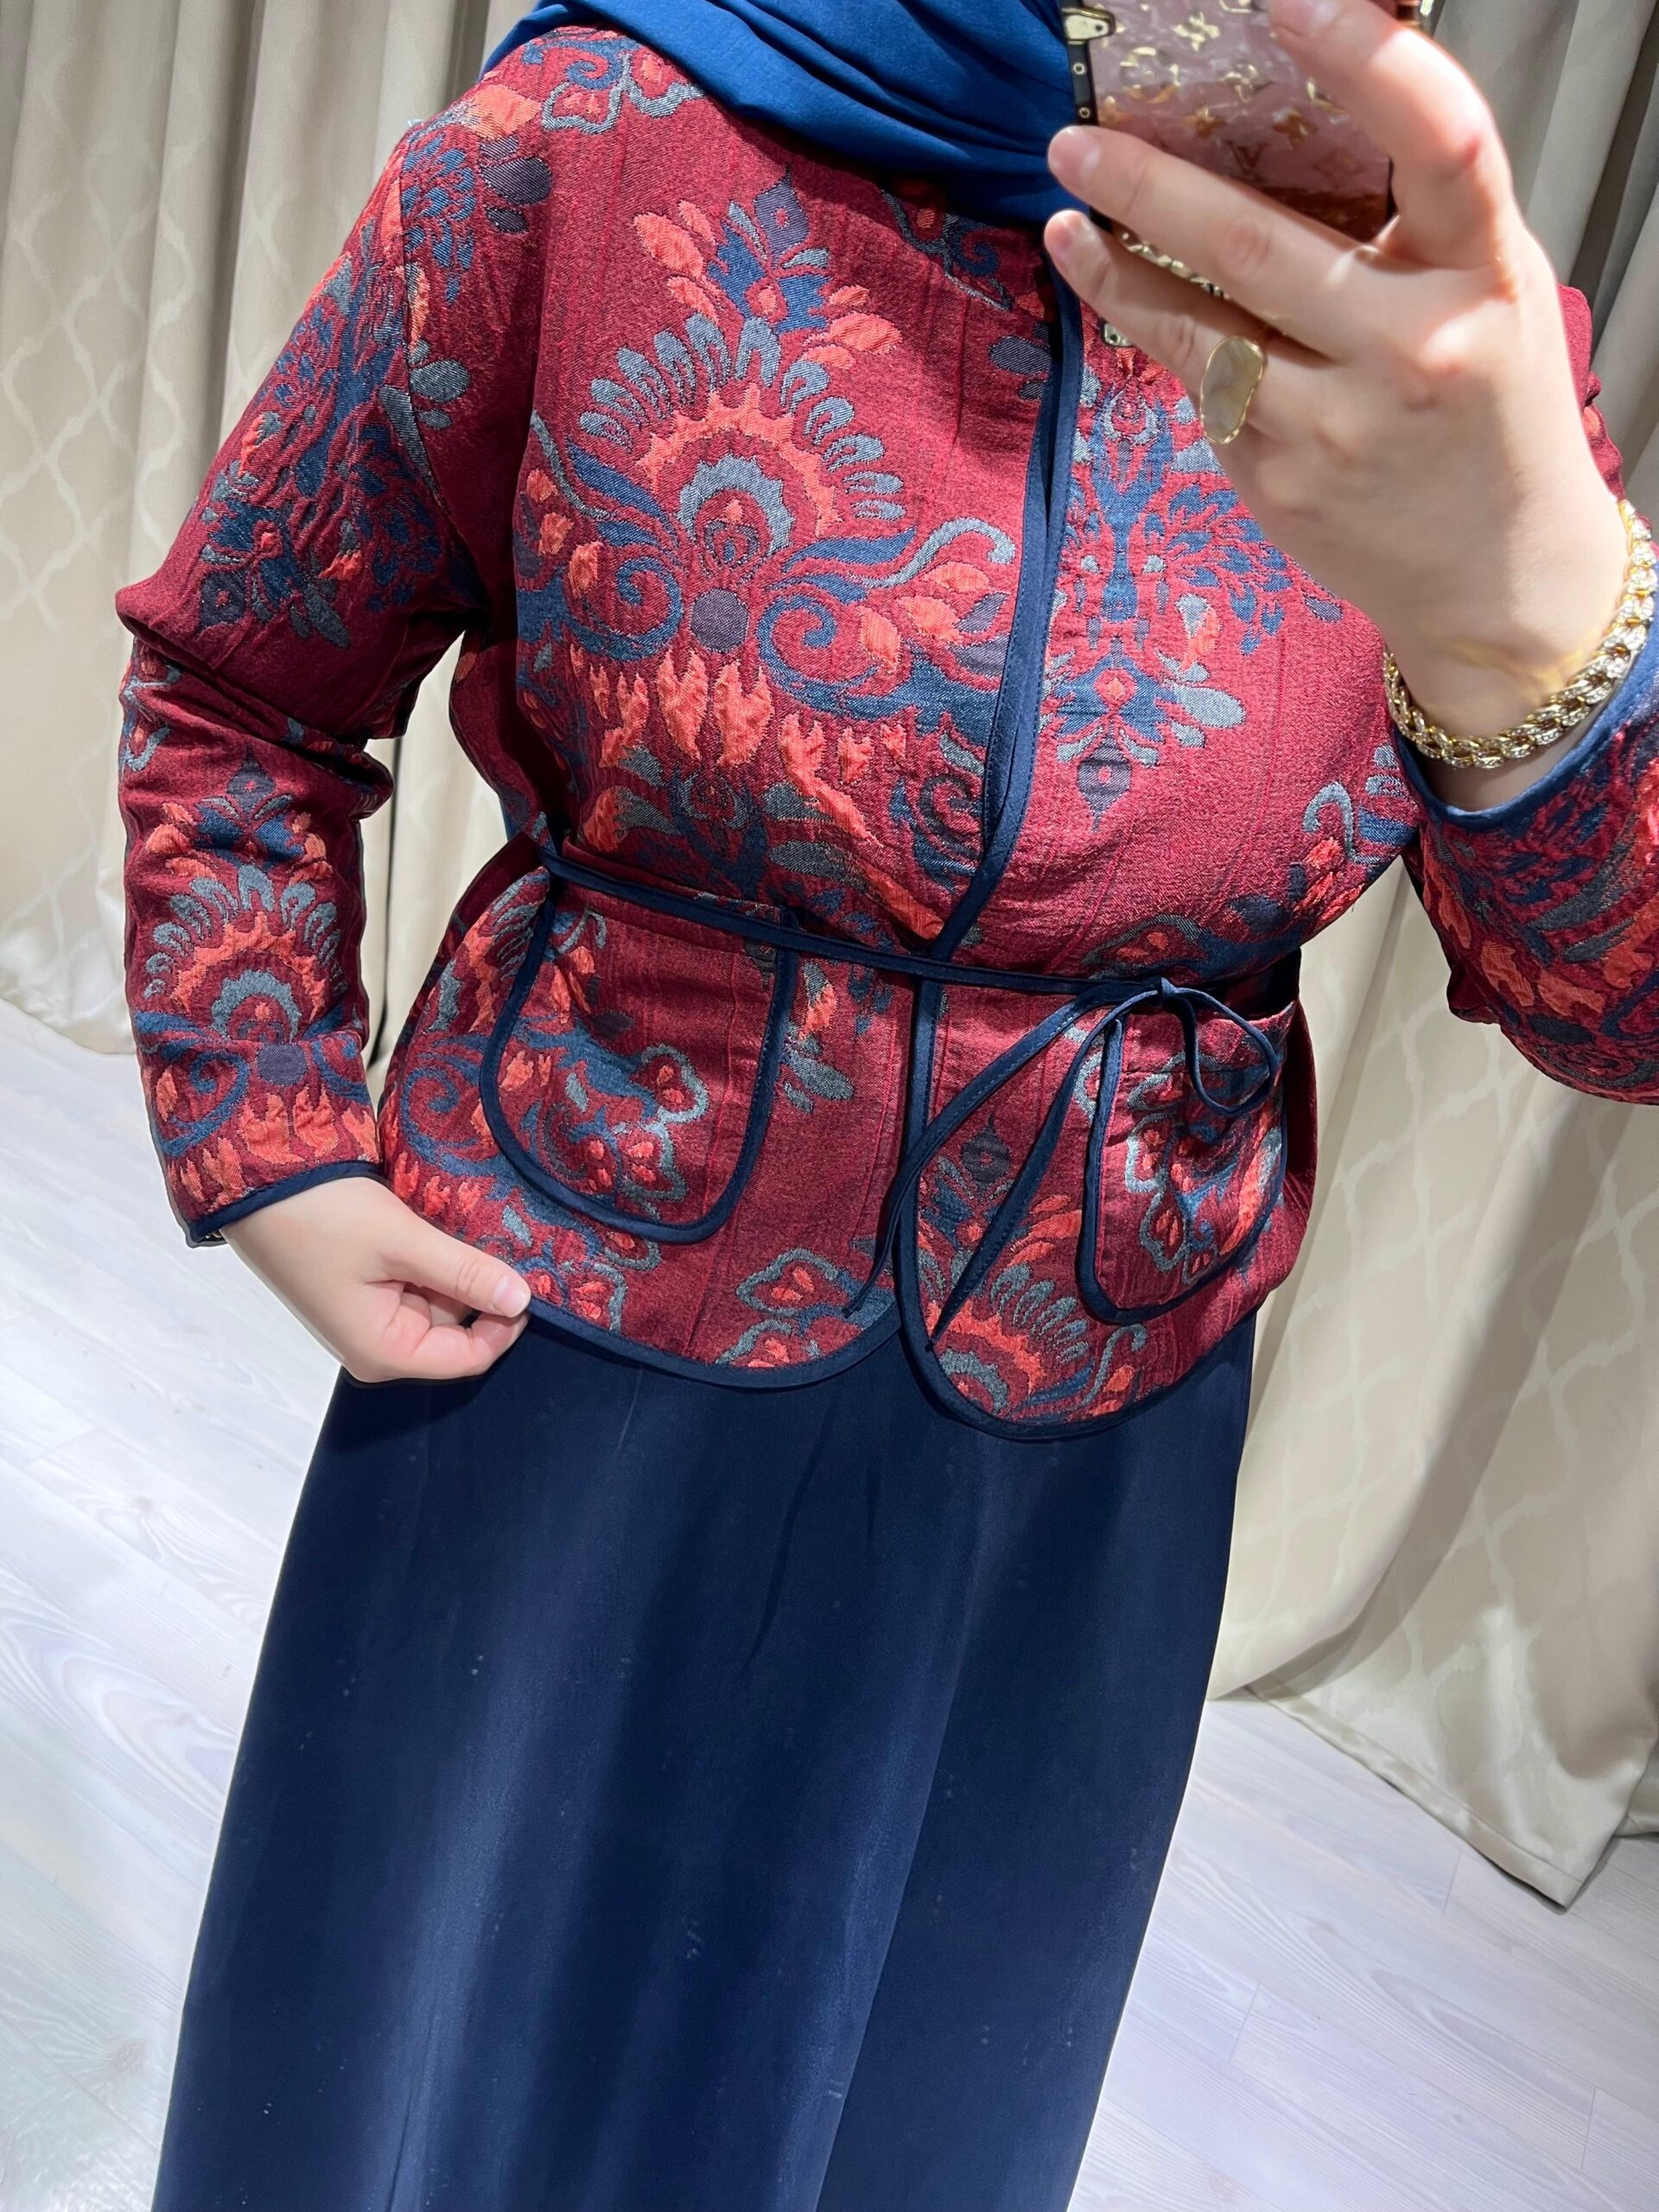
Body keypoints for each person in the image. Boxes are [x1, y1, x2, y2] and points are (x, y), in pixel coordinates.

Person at [116, 1, 1657, 2206]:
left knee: (916, 2104)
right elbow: (243, 677)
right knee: (420, 2077)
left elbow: (1614, 1004)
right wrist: (259, 1111)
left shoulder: (1429, 333)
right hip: (561, 1343)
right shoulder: (590, 141)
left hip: (1086, 1448)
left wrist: (1532, 618)